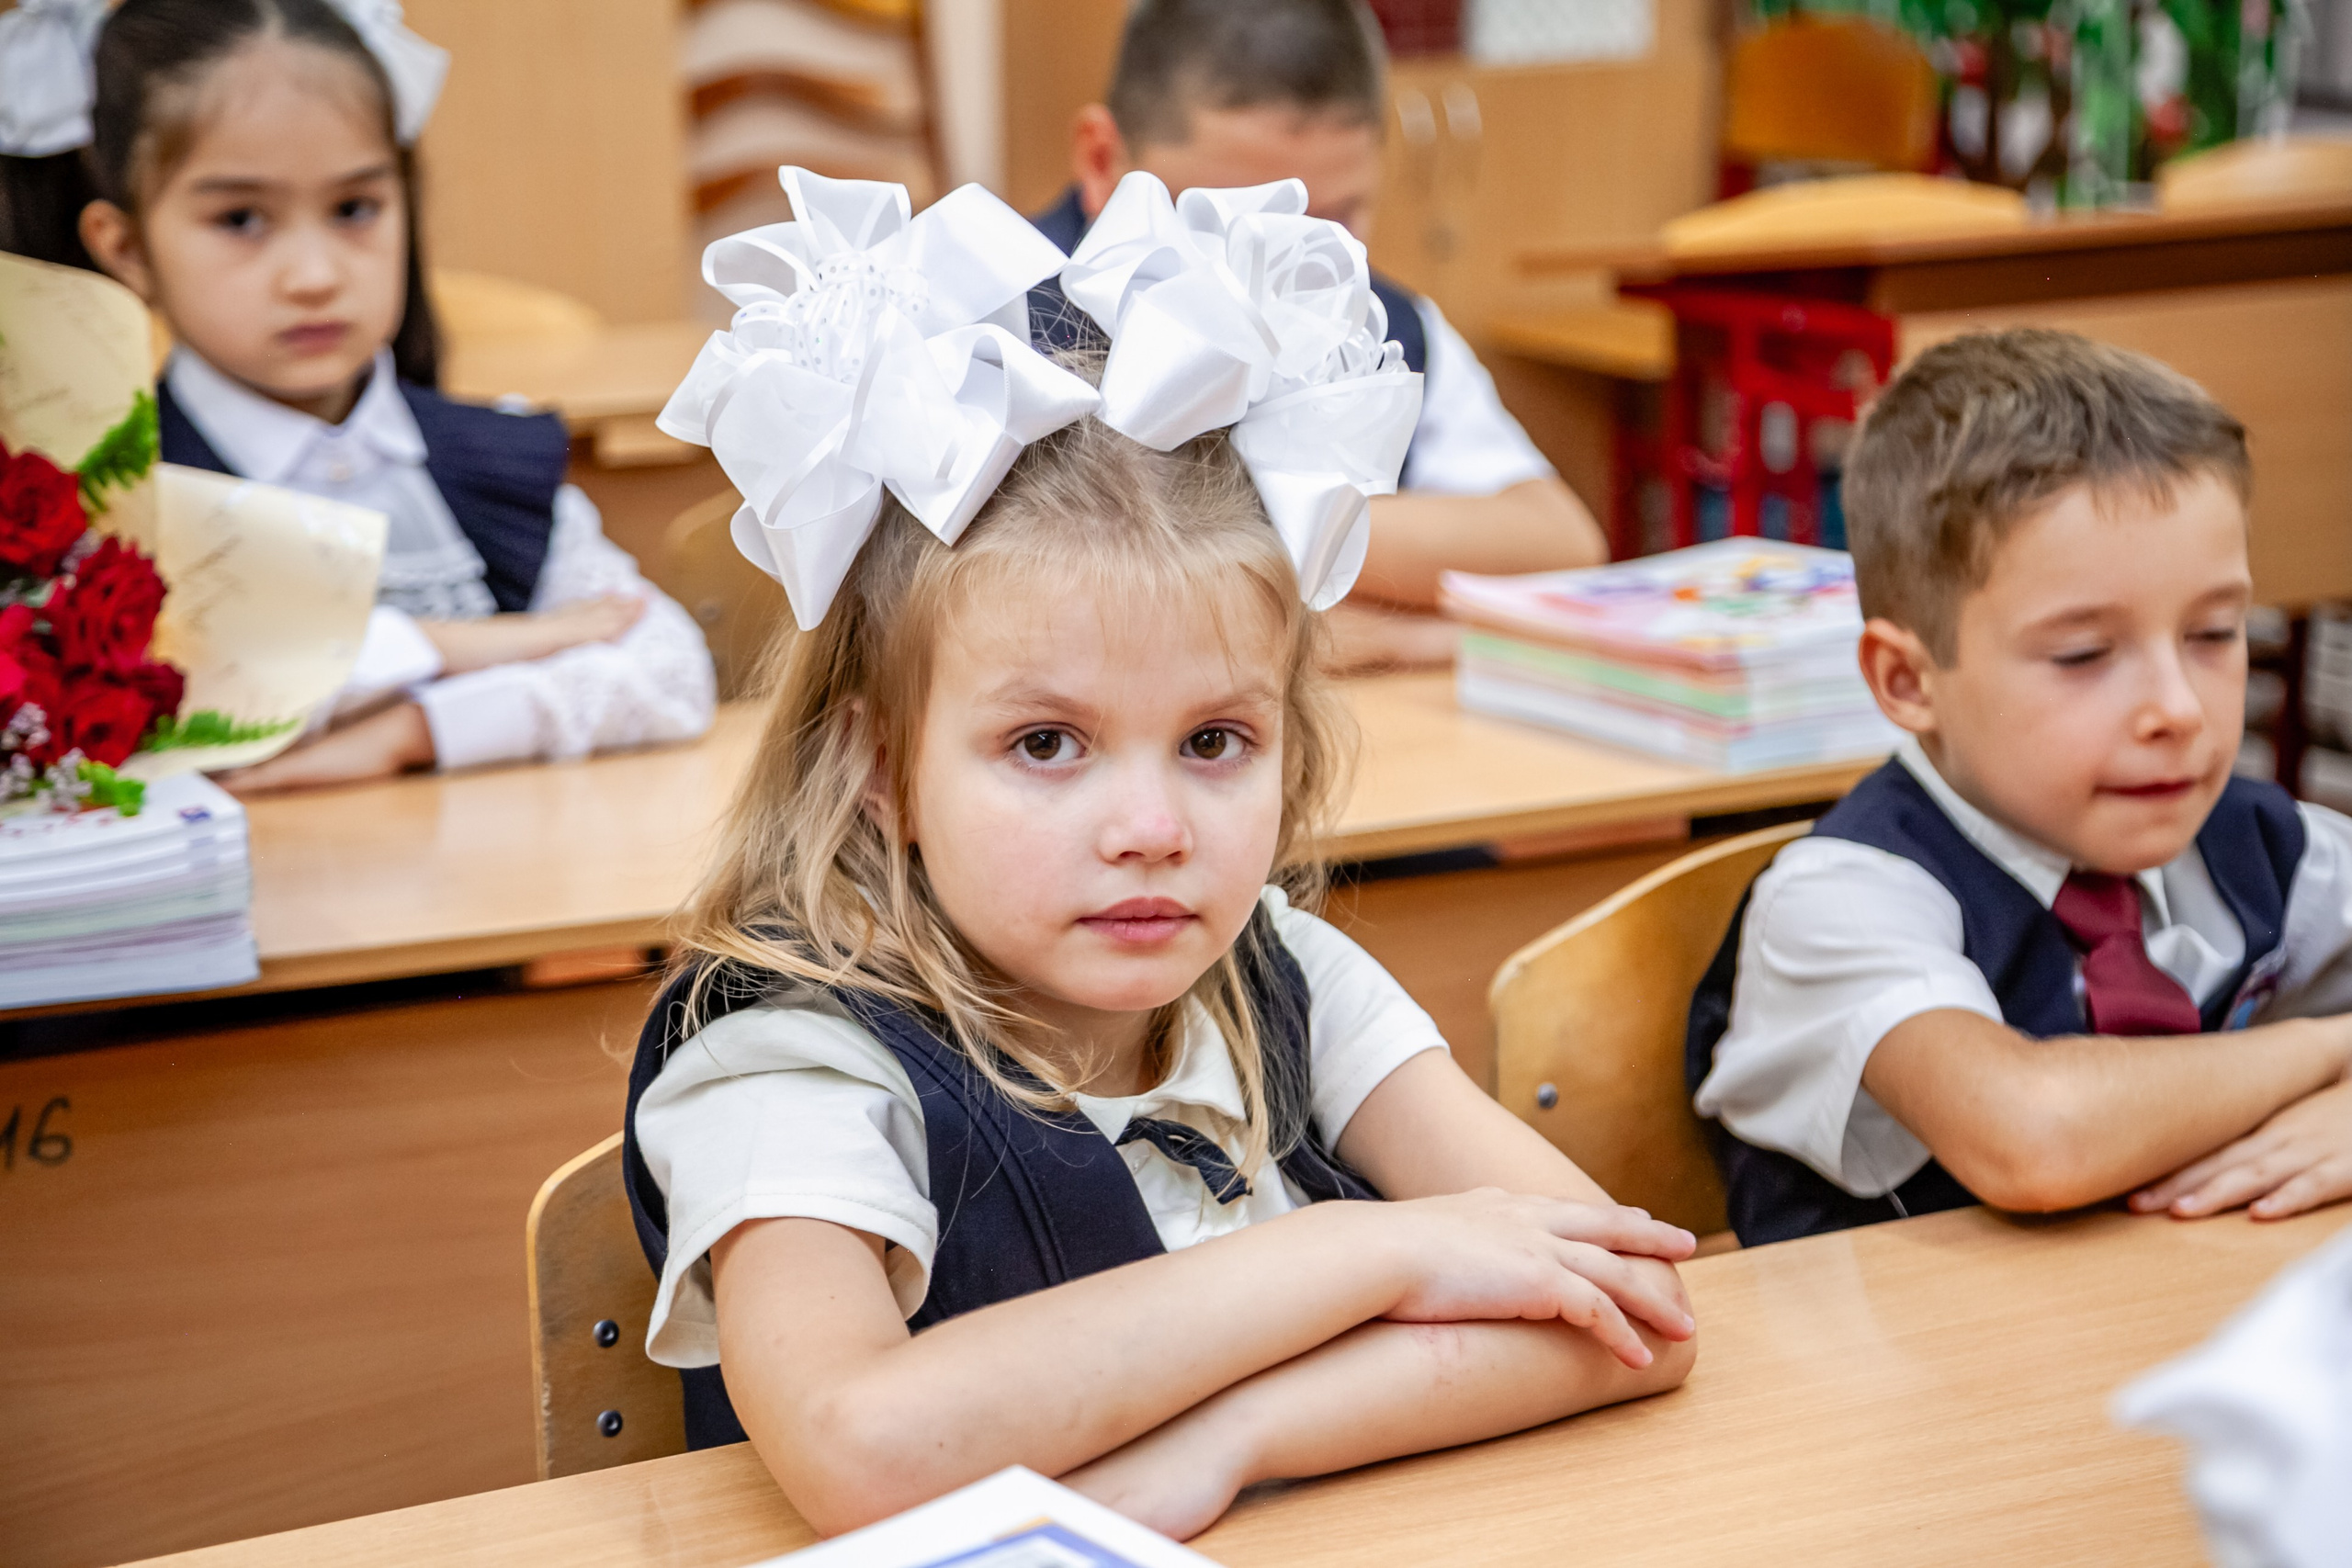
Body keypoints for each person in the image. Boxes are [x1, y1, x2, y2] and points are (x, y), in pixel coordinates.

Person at [626, 166, 1696, 1541]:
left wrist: (1237, 1437)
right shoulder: (795, 1062)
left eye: (1214, 741)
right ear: (879, 766)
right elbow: (861, 1446)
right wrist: (1362, 1248)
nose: (1152, 826)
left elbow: (1636, 1311)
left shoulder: (1289, 970)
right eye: (1048, 746)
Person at [1688, 329, 2352, 1247]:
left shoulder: (2265, 846)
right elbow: (2036, 1138)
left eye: (2214, 634)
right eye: (2083, 654)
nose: (2177, 709)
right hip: (1913, 1379)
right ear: (1908, 682)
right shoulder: (1838, 903)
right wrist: (2329, 1050)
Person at [0, 0, 714, 792]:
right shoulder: (108, 496)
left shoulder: (489, 455)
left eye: (354, 209)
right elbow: (167, 711)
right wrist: (457, 647)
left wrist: (410, 733)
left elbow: (669, 671)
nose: (316, 276)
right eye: (240, 218)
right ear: (126, 247)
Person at [1027, 0, 1607, 674]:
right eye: (1239, 221)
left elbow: (1560, 542)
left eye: (1340, 215)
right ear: (1103, 162)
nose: (1297, 263)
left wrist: (1374, 630)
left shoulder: (1390, 324)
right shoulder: (988, 323)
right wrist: (1354, 595)